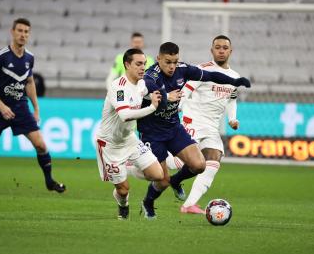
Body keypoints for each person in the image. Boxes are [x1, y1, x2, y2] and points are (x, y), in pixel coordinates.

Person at [138, 42, 251, 219]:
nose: (172, 66)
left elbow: (210, 75)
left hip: (174, 128)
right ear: (158, 59)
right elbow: (151, 91)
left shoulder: (182, 70)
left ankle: (177, 181)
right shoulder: (150, 77)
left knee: (199, 165)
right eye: (168, 62)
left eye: (175, 61)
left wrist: (234, 81)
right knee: (162, 180)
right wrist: (167, 97)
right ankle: (148, 202)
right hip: (152, 133)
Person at [0, 18, 66, 194]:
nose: (23, 34)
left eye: (26, 32)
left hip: (20, 107)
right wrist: (1, 106)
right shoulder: (0, 56)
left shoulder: (29, 58)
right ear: (12, 32)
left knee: (40, 145)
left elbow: (30, 82)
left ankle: (49, 181)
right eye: (20, 31)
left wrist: (36, 108)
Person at [96, 48, 164, 220]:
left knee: (158, 175)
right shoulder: (117, 87)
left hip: (129, 140)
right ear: (127, 64)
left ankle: (129, 167)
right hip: (110, 145)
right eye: (138, 64)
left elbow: (147, 93)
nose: (143, 68)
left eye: (144, 64)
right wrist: (152, 108)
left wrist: (168, 97)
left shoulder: (141, 84)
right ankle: (123, 205)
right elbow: (125, 116)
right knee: (123, 190)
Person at [177, 35, 240, 214]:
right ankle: (136, 163)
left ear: (230, 51)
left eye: (224, 47)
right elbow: (186, 91)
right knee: (177, 161)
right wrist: (177, 108)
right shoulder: (202, 71)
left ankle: (189, 205)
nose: (221, 50)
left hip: (211, 127)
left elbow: (231, 100)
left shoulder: (235, 77)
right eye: (217, 47)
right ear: (211, 50)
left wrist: (231, 119)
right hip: (192, 122)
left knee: (214, 158)